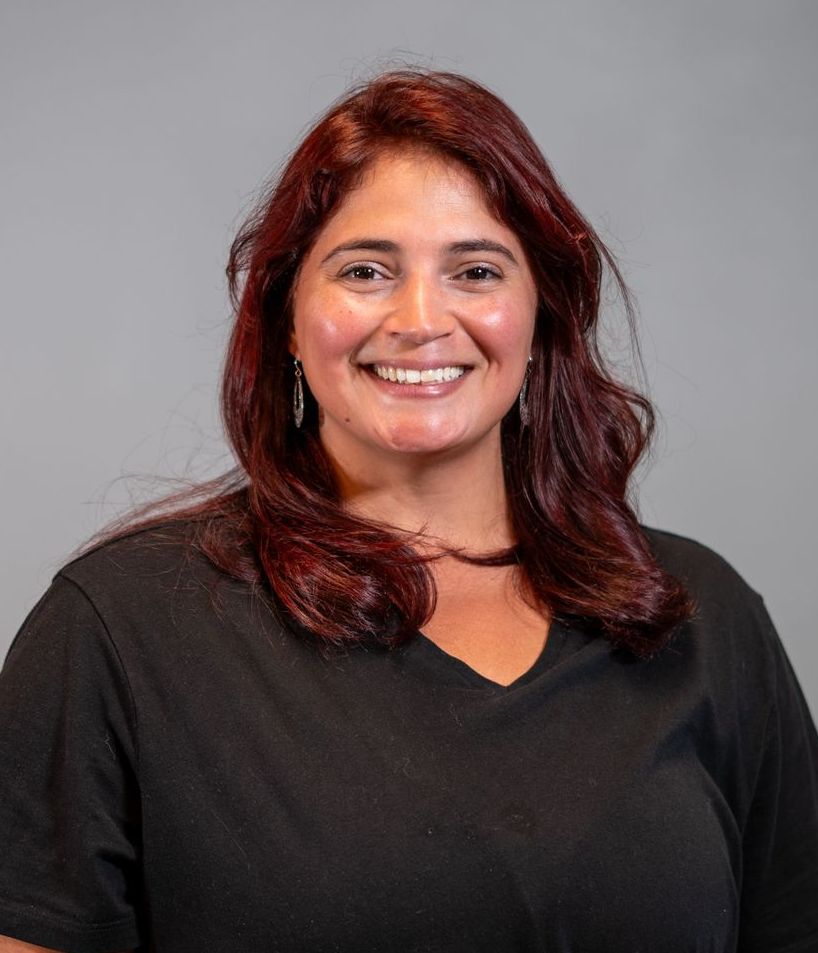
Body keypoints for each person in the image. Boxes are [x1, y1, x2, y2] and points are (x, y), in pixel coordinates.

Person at [0, 69, 816, 953]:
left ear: (540, 313)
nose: (421, 318)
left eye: (475, 269)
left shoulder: (699, 611)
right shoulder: (119, 631)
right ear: (285, 315)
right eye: (364, 270)